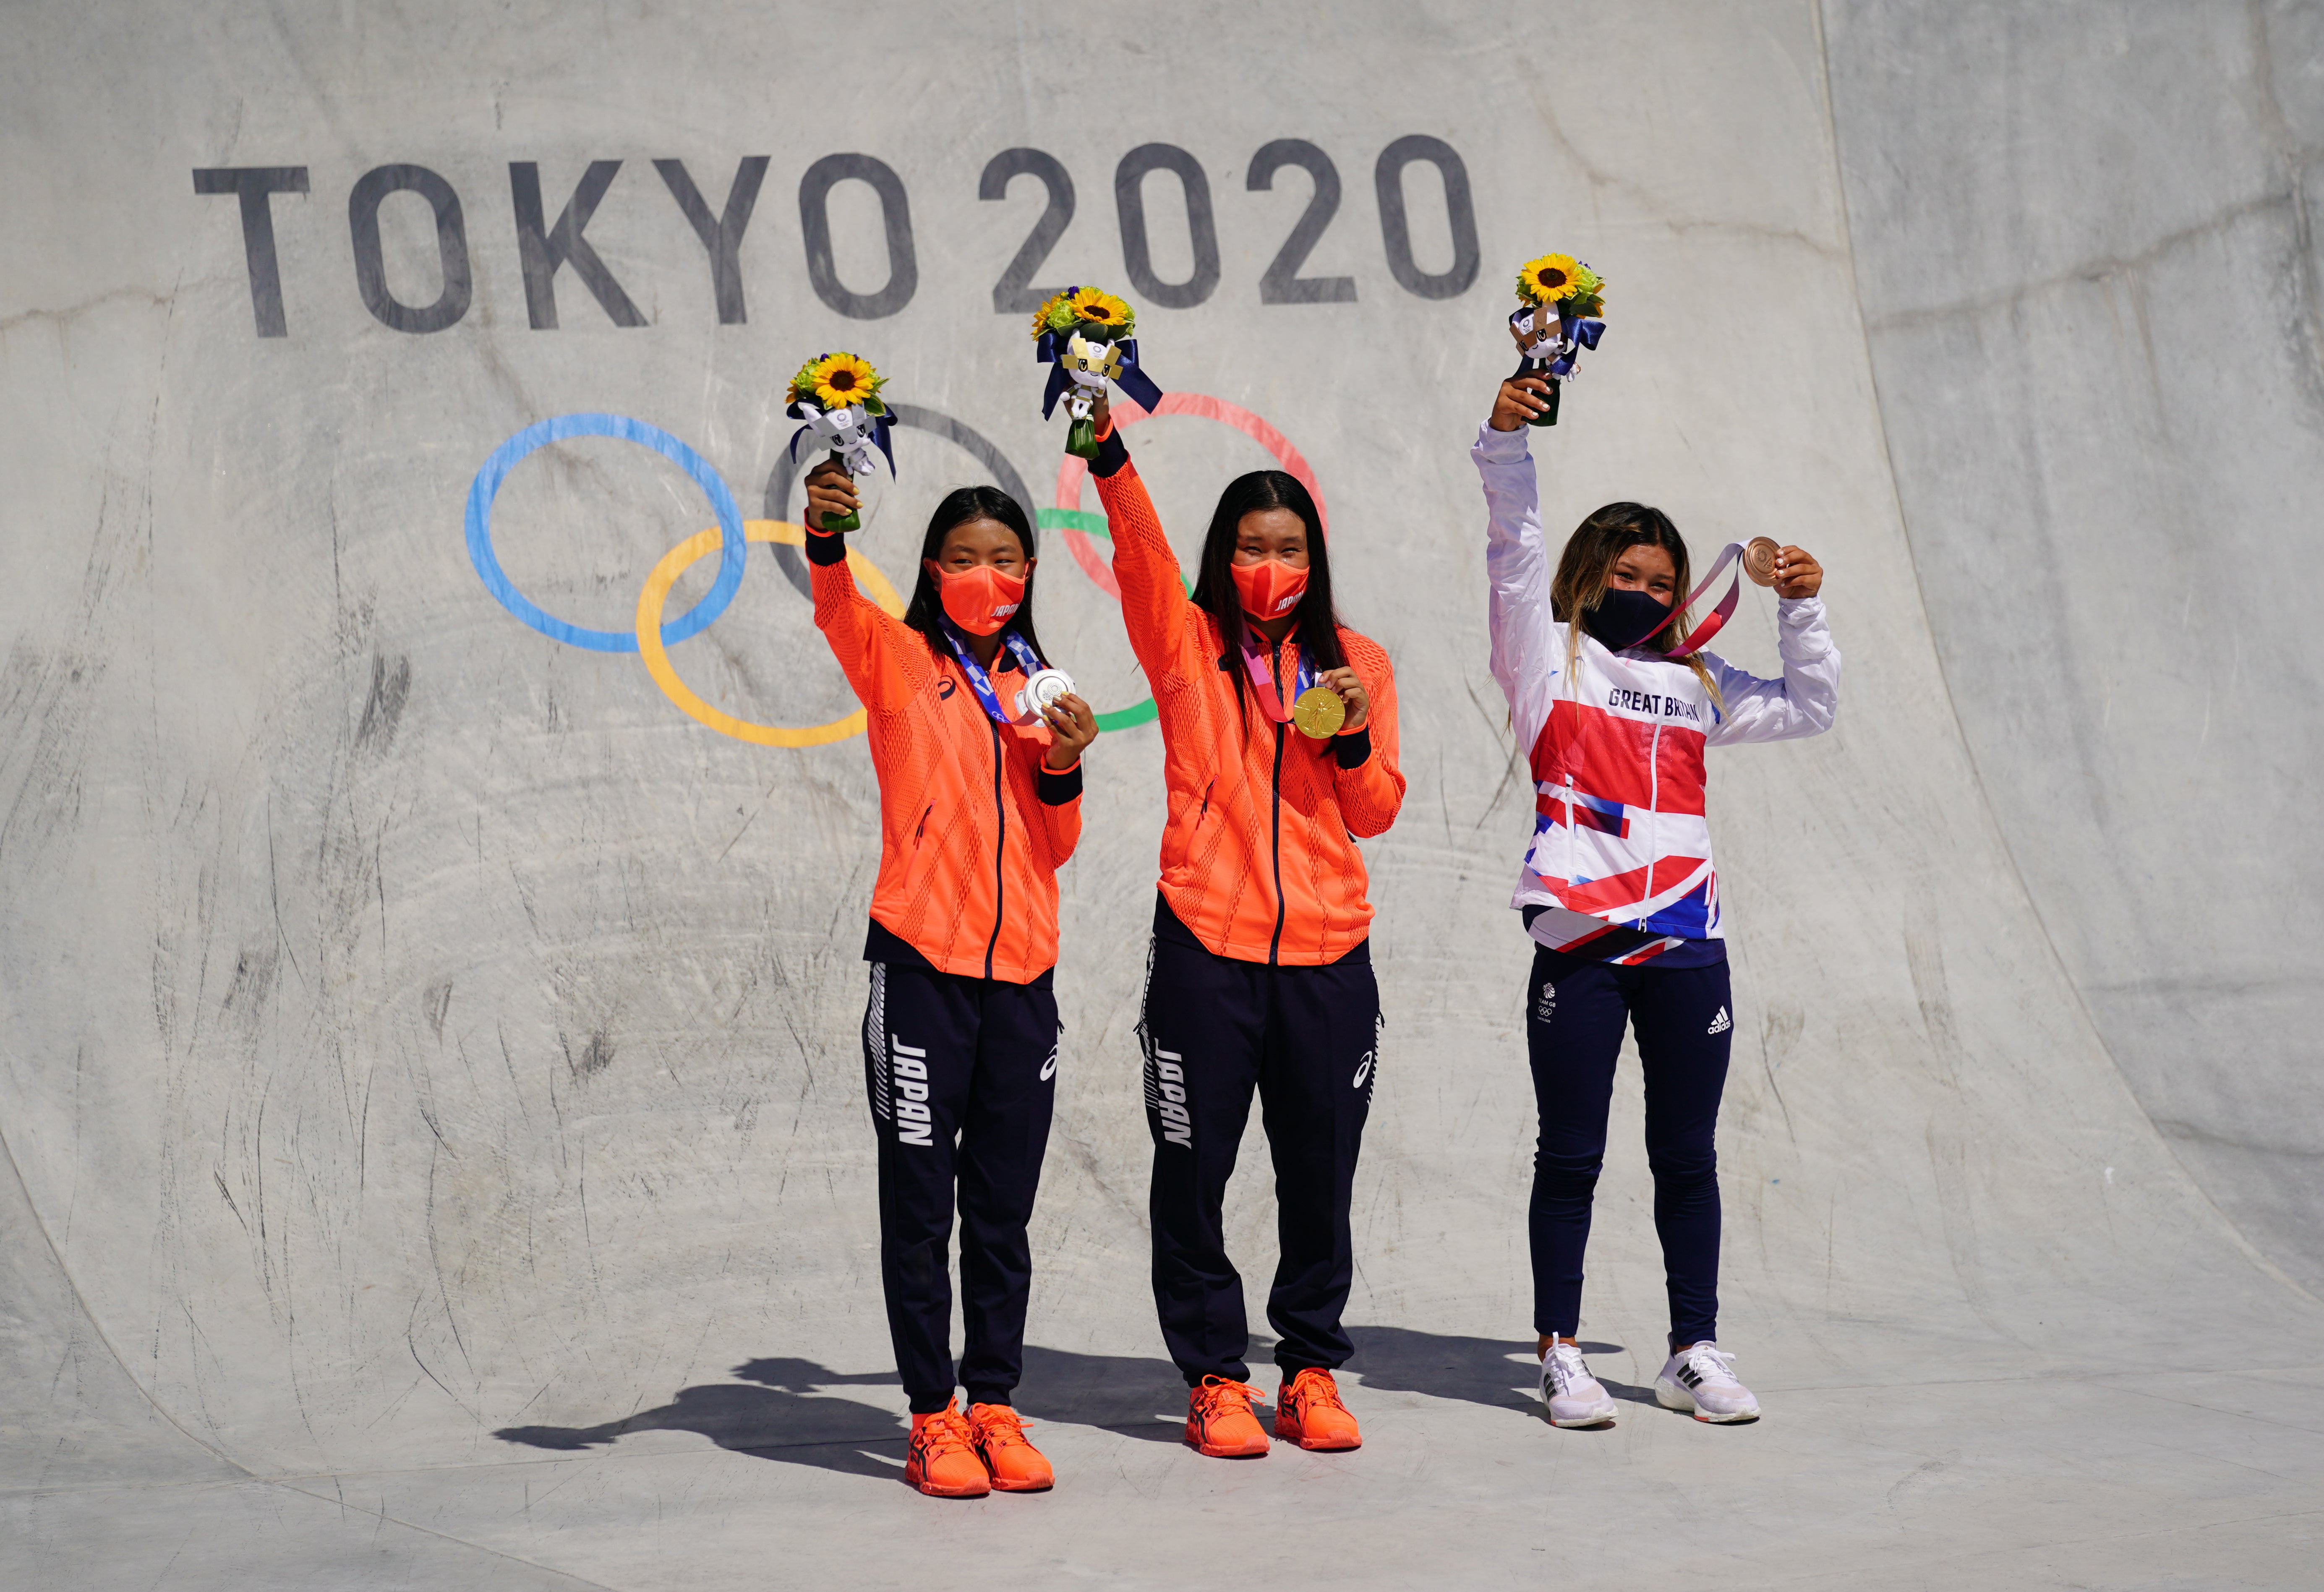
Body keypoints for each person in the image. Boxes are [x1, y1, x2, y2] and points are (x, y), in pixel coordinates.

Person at [1471, 374, 1840, 1428]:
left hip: (1688, 946)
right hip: (1583, 945)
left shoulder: (1698, 680)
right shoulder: (1549, 661)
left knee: (1687, 1155)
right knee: (1572, 1156)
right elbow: (1514, 550)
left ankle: (1692, 1351)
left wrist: (1801, 604)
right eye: (1624, 572)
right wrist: (1507, 438)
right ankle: (1561, 1352)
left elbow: (1813, 704)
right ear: (1589, 577)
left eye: (1660, 577)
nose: (1641, 588)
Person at [1081, 396, 1405, 1458]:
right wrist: (1106, 449)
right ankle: (1217, 1378)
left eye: (1291, 546)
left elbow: (1376, 812)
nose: (1273, 563)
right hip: (1204, 956)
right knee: (1193, 1171)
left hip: (1327, 958)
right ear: (1226, 554)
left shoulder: (1357, 660)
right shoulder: (1186, 644)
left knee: (1320, 1177)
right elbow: (1138, 556)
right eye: (1253, 546)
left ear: (1316, 557)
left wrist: (1354, 738)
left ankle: (1309, 1368)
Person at [803, 459, 1101, 1496]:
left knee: (1004, 1209)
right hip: (921, 965)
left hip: (1023, 975)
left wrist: (1064, 764)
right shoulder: (897, 656)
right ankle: (932, 1418)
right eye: (966, 559)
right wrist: (828, 533)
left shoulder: (1044, 686)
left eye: (1005, 558)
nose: (987, 573)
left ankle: (996, 1404)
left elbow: (1057, 845)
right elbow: (836, 607)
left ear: (1027, 572)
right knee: (922, 1205)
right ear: (934, 569)